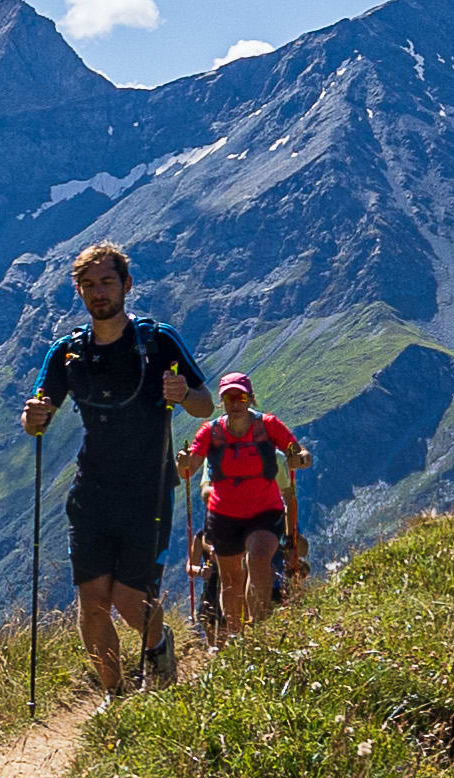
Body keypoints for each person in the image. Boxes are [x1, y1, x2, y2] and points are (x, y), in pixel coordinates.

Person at [30, 241, 203, 694]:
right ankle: (115, 695)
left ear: (127, 285)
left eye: (107, 281)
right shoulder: (67, 353)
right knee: (92, 603)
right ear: (79, 293)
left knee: (129, 601)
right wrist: (34, 418)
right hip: (92, 494)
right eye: (88, 285)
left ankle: (158, 644)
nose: (98, 292)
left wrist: (183, 393)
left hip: (148, 492)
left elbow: (205, 404)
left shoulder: (157, 340)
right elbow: (39, 411)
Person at [192, 371, 313, 637]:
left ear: (250, 398)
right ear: (222, 401)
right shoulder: (211, 434)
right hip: (225, 516)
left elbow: (297, 454)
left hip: (263, 512)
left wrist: (299, 460)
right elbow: (193, 467)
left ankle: (258, 631)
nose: (235, 402)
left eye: (241, 396)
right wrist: (184, 464)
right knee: (231, 579)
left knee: (258, 561)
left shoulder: (269, 429)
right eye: (229, 397)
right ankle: (237, 635)